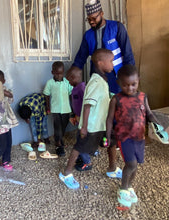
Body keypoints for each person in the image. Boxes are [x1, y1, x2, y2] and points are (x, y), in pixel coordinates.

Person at [69, 0, 135, 178]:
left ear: (102, 13)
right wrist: (74, 72)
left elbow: (128, 54)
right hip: (98, 81)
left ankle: (112, 164)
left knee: (113, 122)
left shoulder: (117, 28)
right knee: (96, 120)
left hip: (117, 81)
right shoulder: (88, 36)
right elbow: (81, 57)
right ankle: (86, 154)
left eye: (93, 18)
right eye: (88, 19)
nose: (91, 21)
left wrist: (131, 82)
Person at [106, 65, 161, 208]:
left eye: (133, 84)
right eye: (125, 85)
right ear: (119, 83)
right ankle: (123, 189)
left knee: (136, 164)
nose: (130, 88)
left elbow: (149, 113)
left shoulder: (143, 97)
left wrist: (159, 125)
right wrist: (107, 135)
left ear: (138, 81)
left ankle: (129, 186)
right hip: (125, 139)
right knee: (131, 164)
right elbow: (109, 118)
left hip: (139, 138)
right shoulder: (116, 99)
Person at [59, 49, 114, 189]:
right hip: (92, 125)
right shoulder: (95, 82)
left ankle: (112, 168)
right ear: (101, 63)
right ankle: (67, 173)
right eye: (111, 61)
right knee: (79, 148)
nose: (113, 64)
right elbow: (88, 105)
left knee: (112, 143)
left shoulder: (101, 80)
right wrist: (84, 127)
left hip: (102, 124)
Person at [43, 61, 73, 156]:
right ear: (52, 72)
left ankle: (60, 139)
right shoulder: (50, 83)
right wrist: (47, 107)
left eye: (61, 73)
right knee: (57, 127)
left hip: (66, 109)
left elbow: (71, 94)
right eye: (57, 74)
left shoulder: (67, 82)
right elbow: (46, 95)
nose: (59, 76)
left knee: (63, 126)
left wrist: (74, 107)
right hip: (55, 109)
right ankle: (58, 145)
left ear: (63, 72)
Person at [66, 67, 92, 172]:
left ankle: (87, 162)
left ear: (74, 78)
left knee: (81, 140)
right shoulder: (75, 88)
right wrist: (74, 116)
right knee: (80, 139)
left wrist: (82, 119)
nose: (69, 82)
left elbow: (86, 106)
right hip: (79, 118)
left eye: (69, 80)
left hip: (83, 119)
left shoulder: (82, 89)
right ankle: (82, 158)